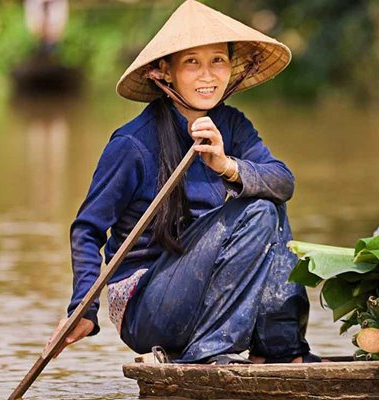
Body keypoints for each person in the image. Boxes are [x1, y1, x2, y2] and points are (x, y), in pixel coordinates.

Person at [46, 0, 319, 365]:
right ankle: (206, 356)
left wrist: (227, 166)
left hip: (205, 296)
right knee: (257, 211)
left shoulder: (232, 125)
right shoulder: (132, 144)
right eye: (192, 62)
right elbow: (87, 229)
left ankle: (281, 352)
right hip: (146, 305)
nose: (208, 75)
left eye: (218, 60)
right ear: (166, 72)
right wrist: (83, 308)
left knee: (268, 202)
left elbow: (283, 181)